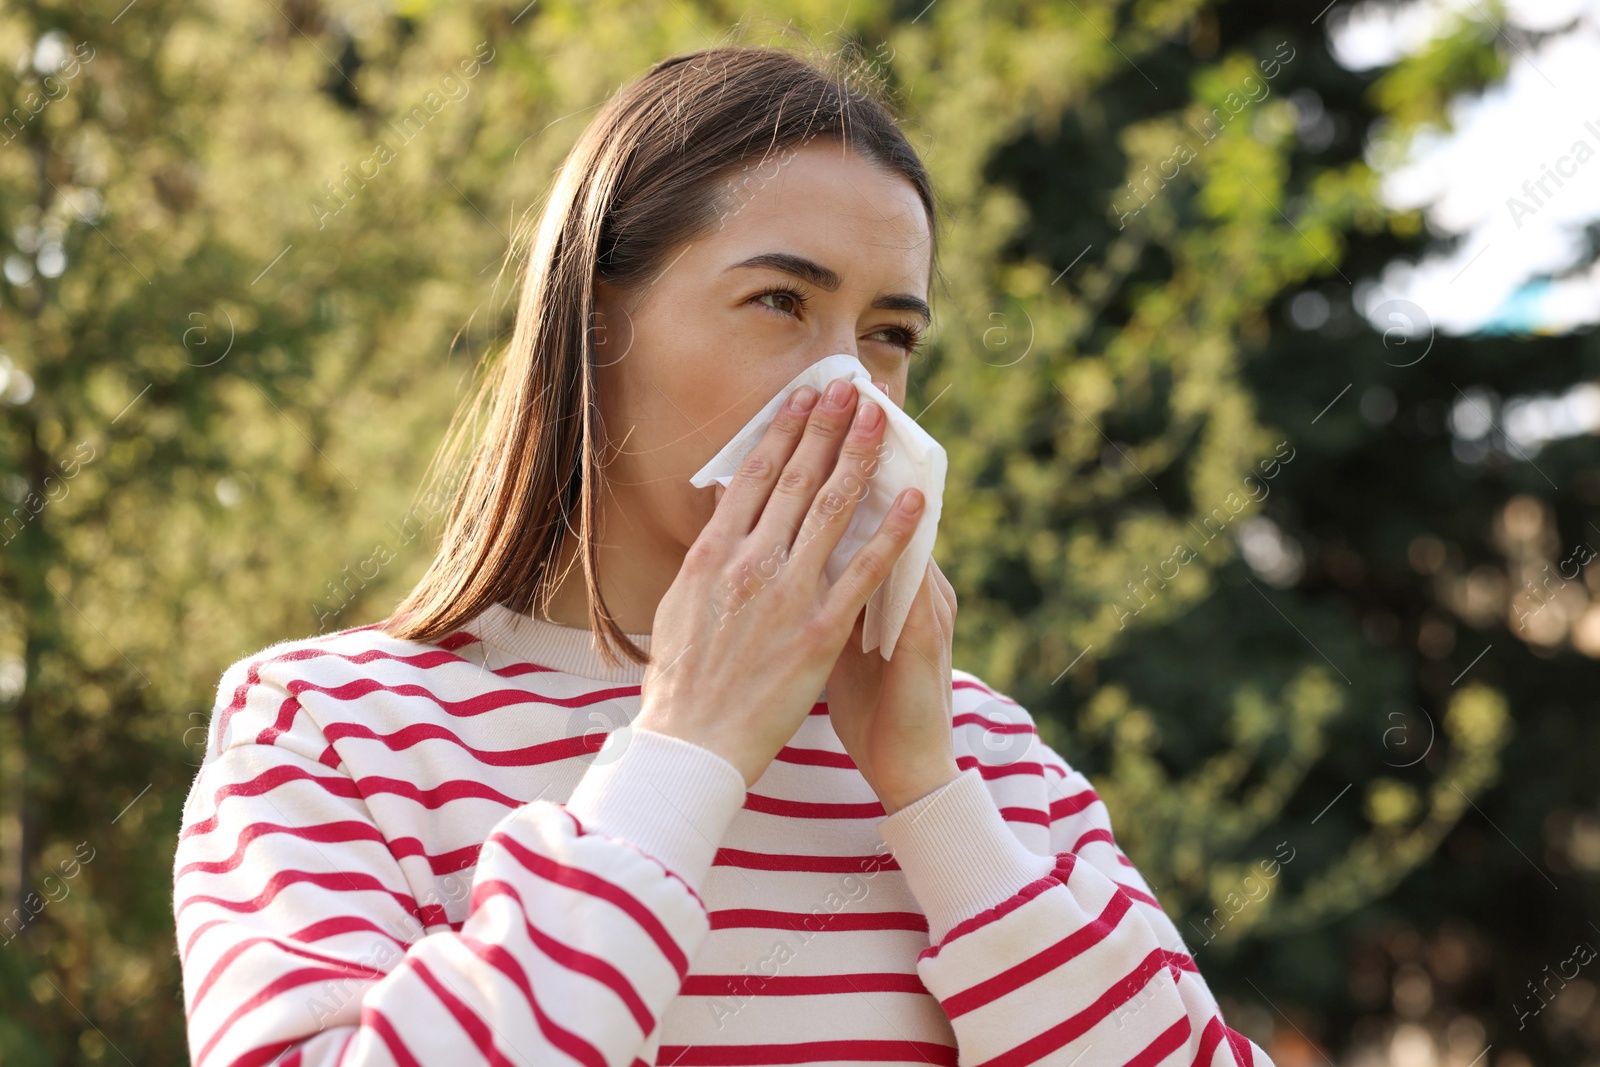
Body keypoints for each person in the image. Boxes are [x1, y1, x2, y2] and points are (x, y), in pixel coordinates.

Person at [173, 42, 1273, 1067]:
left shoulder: (987, 755)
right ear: (596, 322)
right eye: (780, 301)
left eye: (889, 333)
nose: (846, 391)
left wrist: (935, 802)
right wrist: (685, 750)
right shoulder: (328, 729)